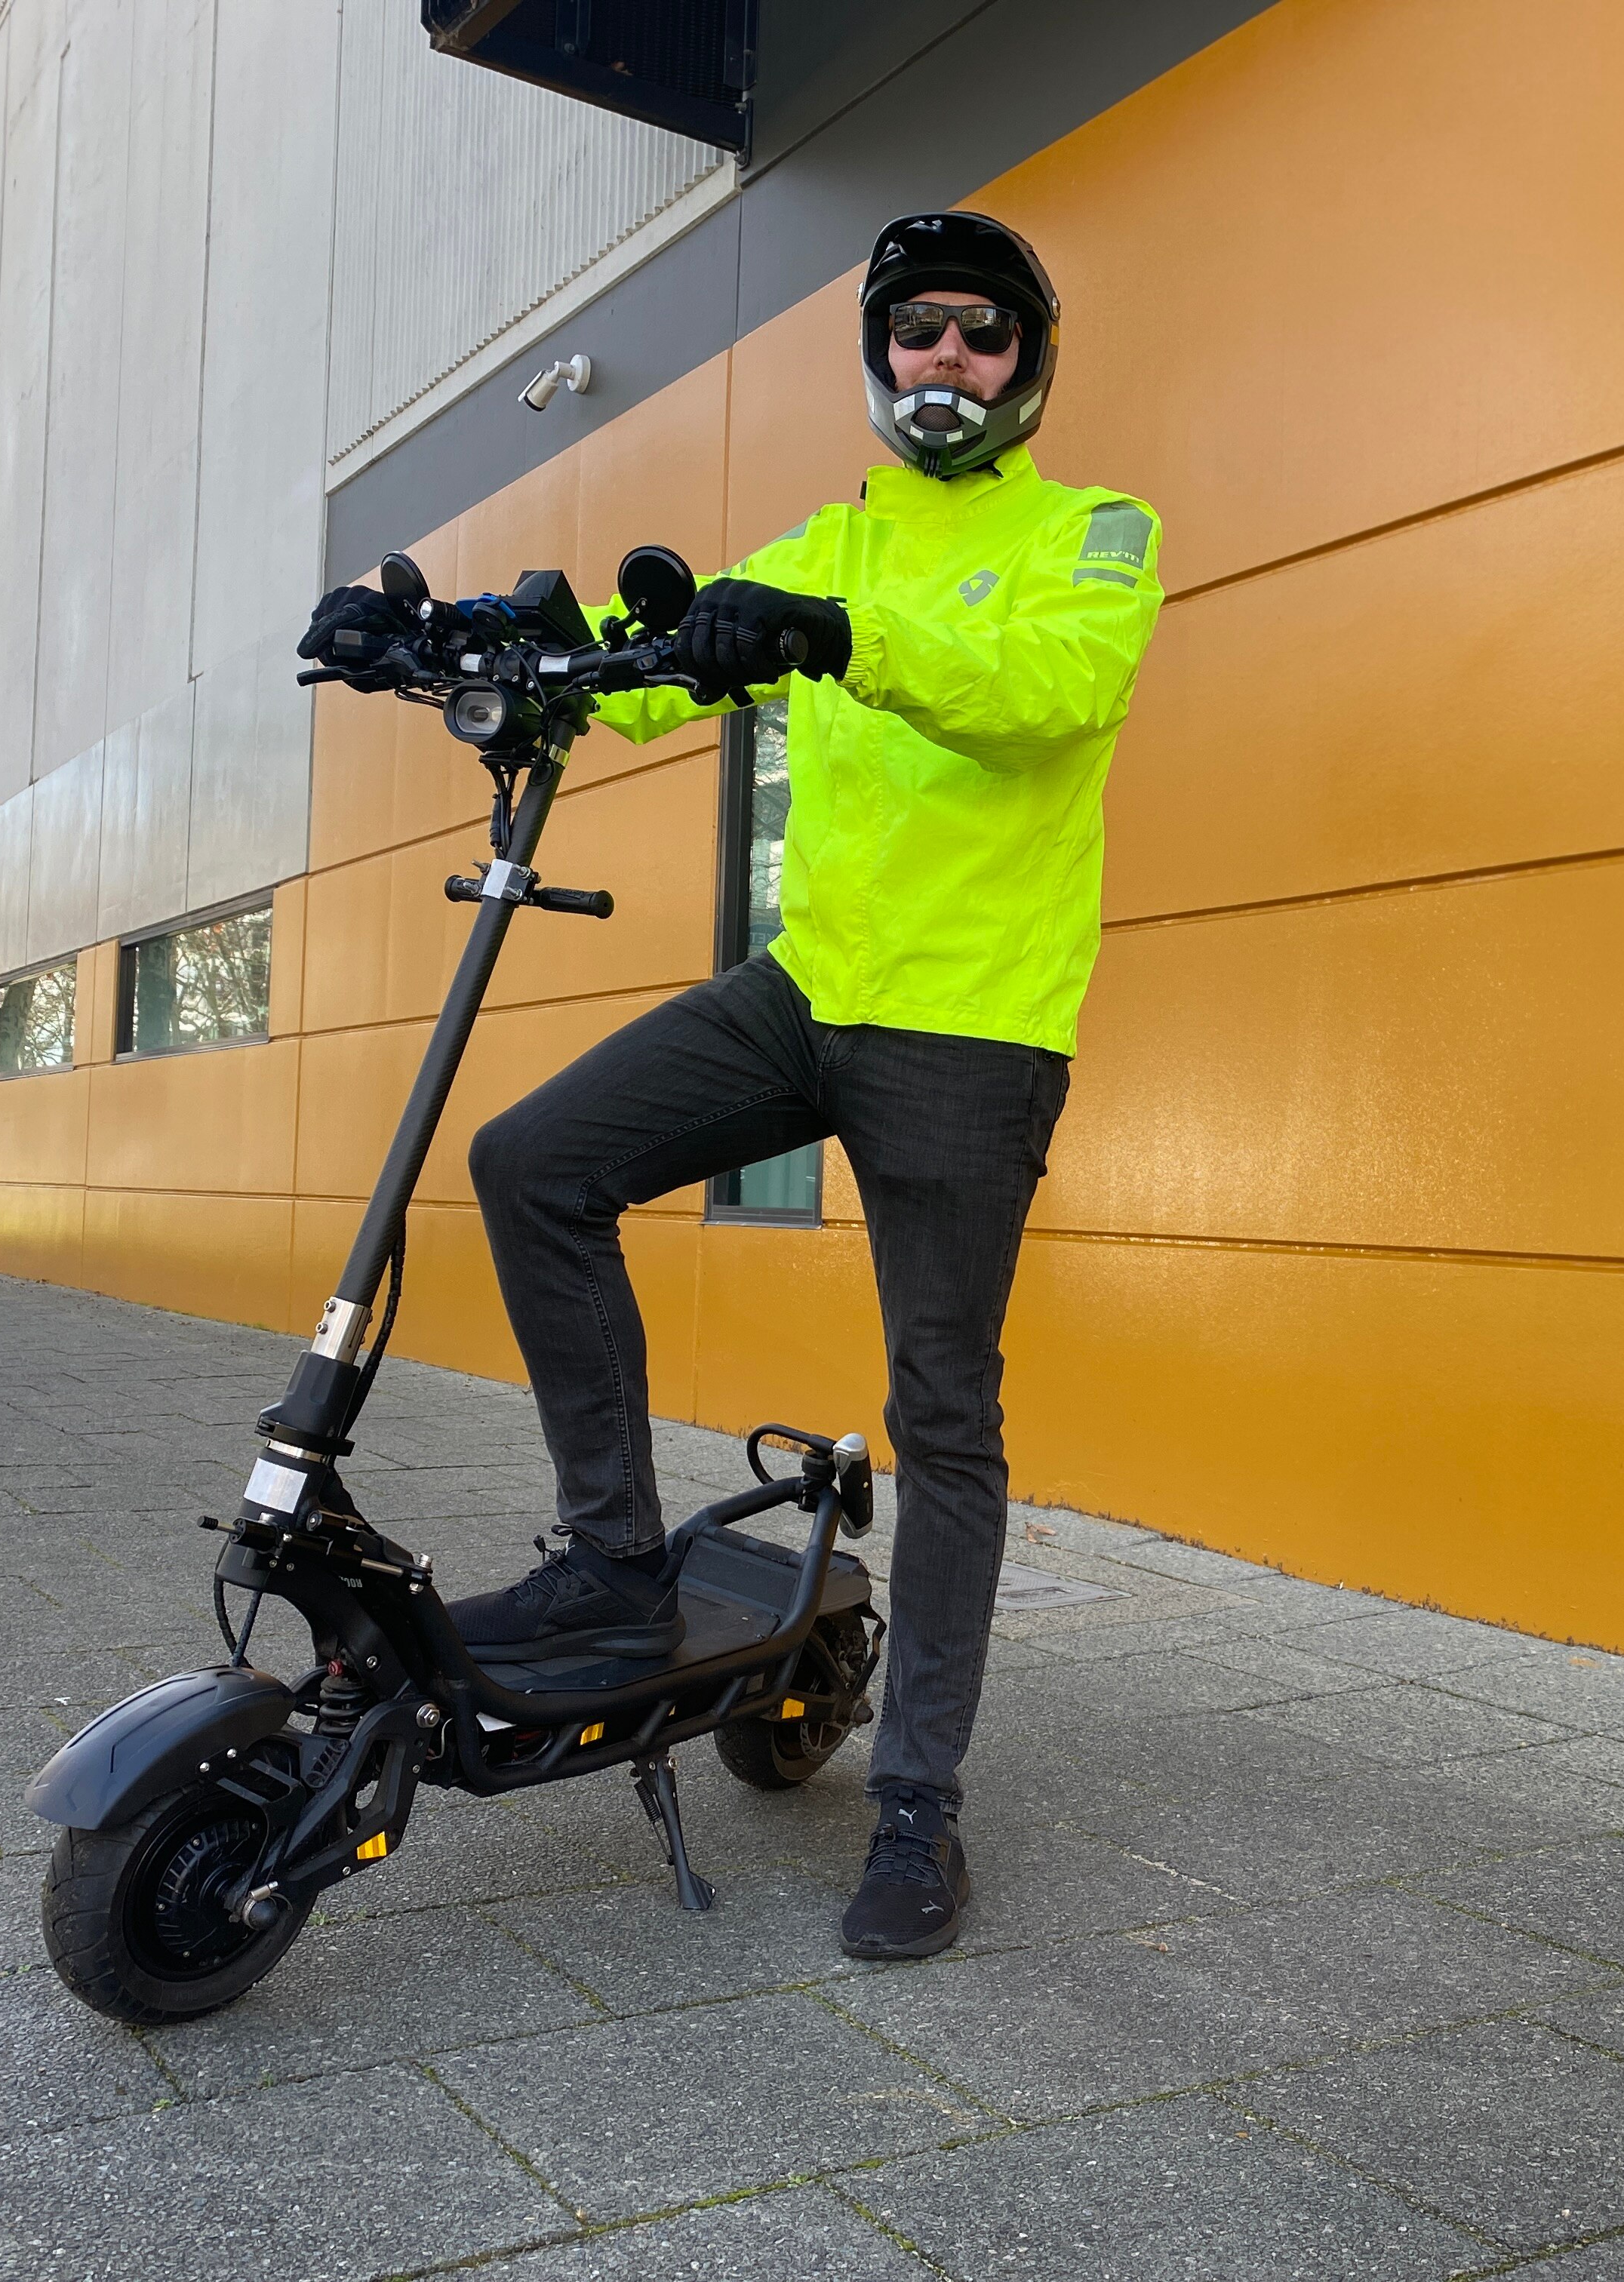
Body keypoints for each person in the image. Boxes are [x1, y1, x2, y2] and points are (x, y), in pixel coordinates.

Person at [300, 212, 1161, 1958]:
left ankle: (917, 1800)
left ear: (1028, 364)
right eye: (918, 332)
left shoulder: (1094, 533)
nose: (947, 361)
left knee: (945, 1415)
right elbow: (651, 660)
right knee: (534, 1160)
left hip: (972, 1027)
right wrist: (465, 651)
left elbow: (1057, 692)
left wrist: (845, 637)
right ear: (878, 353)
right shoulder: (826, 539)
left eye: (981, 337)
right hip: (807, 995)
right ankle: (615, 1556)